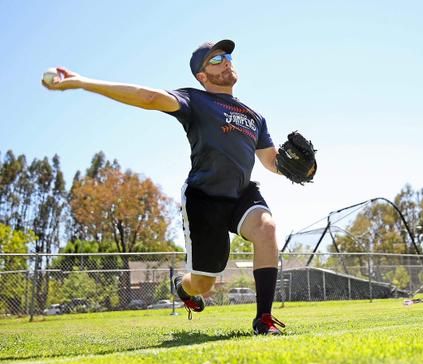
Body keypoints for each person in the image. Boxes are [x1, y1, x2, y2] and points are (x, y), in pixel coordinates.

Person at [43, 39, 286, 335]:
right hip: (204, 198)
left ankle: (263, 319)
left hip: (242, 195)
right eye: (216, 59)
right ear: (202, 75)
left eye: (227, 55)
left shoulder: (254, 117)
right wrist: (82, 82)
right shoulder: (195, 100)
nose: (226, 60)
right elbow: (147, 97)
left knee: (267, 229)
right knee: (203, 284)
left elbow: (271, 161)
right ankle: (182, 288)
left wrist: (298, 166)